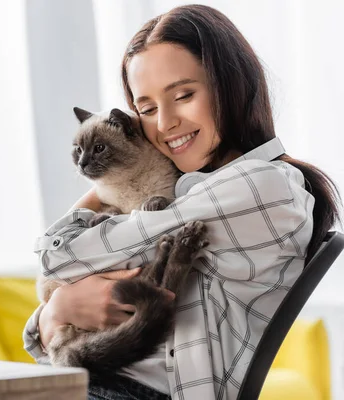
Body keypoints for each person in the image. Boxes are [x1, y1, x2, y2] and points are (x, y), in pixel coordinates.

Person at [23, 4, 341, 400]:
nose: (164, 123)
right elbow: (44, 330)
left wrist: (61, 305)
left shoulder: (260, 185)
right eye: (147, 109)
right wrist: (57, 311)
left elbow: (60, 256)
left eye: (184, 95)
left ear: (232, 85)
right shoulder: (188, 191)